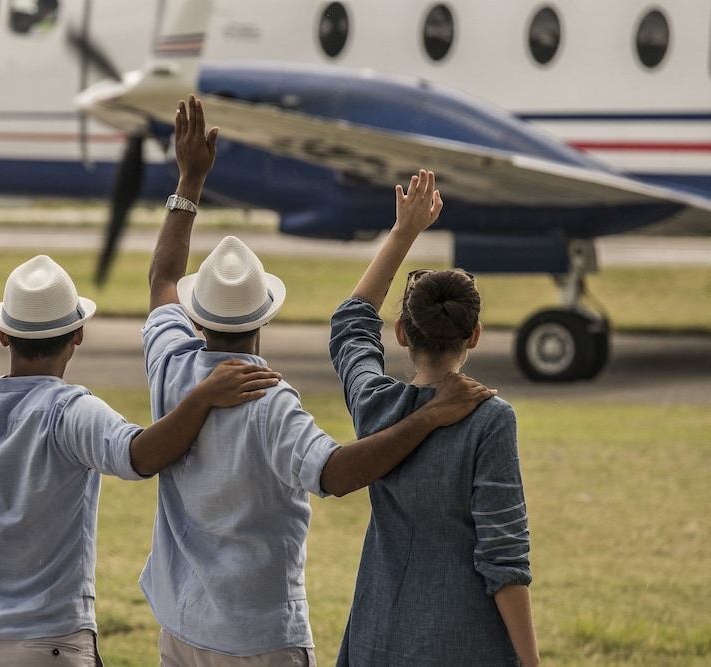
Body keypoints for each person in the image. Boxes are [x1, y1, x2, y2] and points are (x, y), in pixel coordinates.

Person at [141, 94, 497, 665]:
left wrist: (190, 180)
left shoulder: (169, 363)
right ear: (264, 317)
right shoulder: (269, 400)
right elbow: (333, 473)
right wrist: (429, 414)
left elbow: (163, 277)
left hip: (180, 628)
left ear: (197, 315)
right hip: (259, 639)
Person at [0, 205, 283, 667]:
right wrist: (201, 398)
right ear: (77, 334)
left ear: (2, 336)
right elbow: (142, 456)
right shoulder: (71, 412)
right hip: (50, 642)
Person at [329, 169, 539, 666]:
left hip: (377, 632)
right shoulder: (490, 419)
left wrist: (403, 233)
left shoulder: (375, 404)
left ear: (401, 333)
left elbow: (351, 326)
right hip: (462, 642)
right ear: (475, 336)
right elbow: (504, 560)